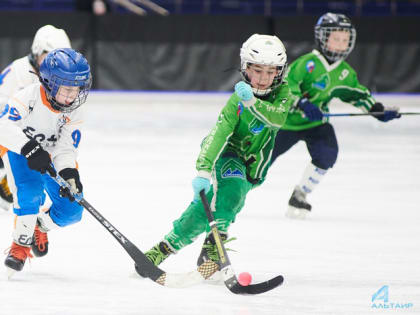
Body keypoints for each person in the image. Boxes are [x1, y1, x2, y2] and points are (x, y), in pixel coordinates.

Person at [135, 34, 298, 276]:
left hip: (253, 168)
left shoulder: (284, 92)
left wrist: (253, 102)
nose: (263, 78)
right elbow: (218, 134)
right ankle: (214, 248)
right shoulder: (236, 102)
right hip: (228, 157)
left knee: (206, 208)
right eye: (257, 70)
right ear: (246, 68)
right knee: (231, 194)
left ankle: (163, 248)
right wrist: (203, 168)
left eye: (270, 72)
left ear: (279, 72)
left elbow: (277, 118)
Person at [270, 13, 401, 219]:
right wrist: (302, 103)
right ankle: (229, 187)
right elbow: (286, 86)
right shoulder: (307, 63)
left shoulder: (345, 73)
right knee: (260, 162)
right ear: (322, 37)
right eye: (336, 38)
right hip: (286, 123)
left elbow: (355, 93)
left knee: (327, 154)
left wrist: (376, 108)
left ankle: (300, 194)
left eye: (345, 39)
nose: (341, 44)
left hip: (316, 124)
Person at [0, 48, 92, 274]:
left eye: (77, 89)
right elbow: (3, 127)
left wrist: (69, 172)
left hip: (49, 155)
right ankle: (19, 246)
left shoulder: (76, 110)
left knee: (72, 210)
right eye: (67, 89)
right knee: (30, 193)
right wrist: (29, 148)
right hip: (18, 151)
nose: (73, 96)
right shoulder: (27, 97)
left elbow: (66, 146)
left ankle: (39, 226)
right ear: (50, 83)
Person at [0, 24, 71, 211]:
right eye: (51, 56)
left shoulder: (50, 76)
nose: (56, 63)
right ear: (37, 51)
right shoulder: (20, 72)